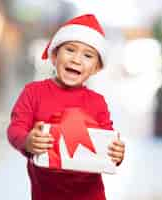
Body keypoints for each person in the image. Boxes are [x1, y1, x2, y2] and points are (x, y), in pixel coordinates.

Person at [7, 14, 125, 200]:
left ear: (96, 68)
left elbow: (107, 142)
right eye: (70, 50)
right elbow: (15, 129)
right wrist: (28, 141)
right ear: (54, 56)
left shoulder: (97, 102)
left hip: (91, 195)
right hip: (45, 194)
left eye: (88, 55)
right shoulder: (33, 92)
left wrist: (117, 154)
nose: (76, 60)